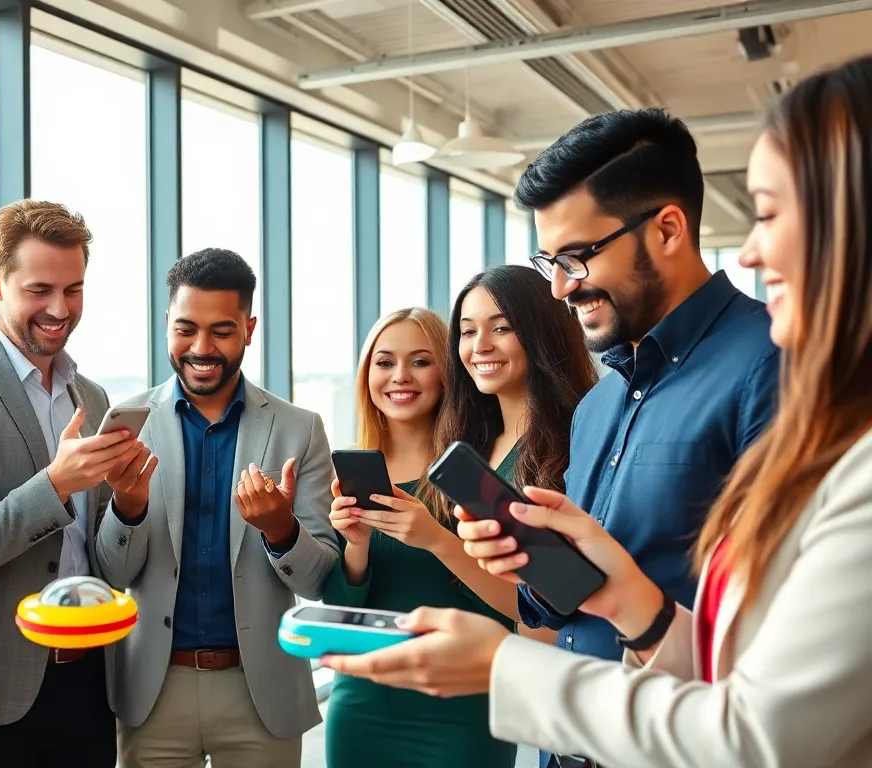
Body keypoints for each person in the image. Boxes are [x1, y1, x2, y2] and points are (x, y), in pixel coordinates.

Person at [322, 52, 872, 768]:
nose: (559, 288)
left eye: (576, 257)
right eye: (550, 260)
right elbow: (573, 607)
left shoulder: (772, 371)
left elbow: (764, 700)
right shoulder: (600, 403)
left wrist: (506, 667)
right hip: (574, 743)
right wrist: (544, 565)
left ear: (669, 231)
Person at [0, 200, 146, 768]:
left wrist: (129, 505)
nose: (59, 308)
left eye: (73, 290)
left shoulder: (90, 397)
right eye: (40, 289)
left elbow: (108, 563)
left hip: (91, 679)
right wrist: (56, 484)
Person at [96, 247, 339, 768]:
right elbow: (112, 573)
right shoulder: (124, 425)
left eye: (222, 331)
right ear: (167, 325)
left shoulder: (301, 429)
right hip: (153, 691)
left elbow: (319, 581)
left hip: (261, 692)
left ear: (249, 329)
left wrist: (281, 529)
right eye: (186, 329)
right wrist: (127, 508)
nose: (201, 347)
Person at [320, 307, 521, 768]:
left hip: (464, 703)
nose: (400, 376)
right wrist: (356, 545)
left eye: (421, 361)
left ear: (448, 372)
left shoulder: (478, 472)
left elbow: (515, 601)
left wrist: (437, 539)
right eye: (385, 362)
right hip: (364, 704)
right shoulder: (351, 471)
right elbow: (341, 606)